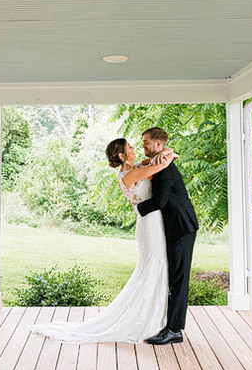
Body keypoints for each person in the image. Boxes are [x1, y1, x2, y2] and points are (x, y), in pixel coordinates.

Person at [30, 138, 176, 343]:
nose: (135, 149)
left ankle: (157, 319)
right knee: (153, 267)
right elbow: (161, 164)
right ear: (121, 156)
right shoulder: (130, 174)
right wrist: (169, 153)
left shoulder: (135, 167)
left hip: (153, 220)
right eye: (130, 148)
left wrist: (167, 151)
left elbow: (159, 159)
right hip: (149, 224)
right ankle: (149, 321)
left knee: (157, 267)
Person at [137, 127, 199, 345]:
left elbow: (159, 202)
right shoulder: (159, 161)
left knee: (179, 278)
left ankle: (174, 330)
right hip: (174, 225)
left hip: (182, 226)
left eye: (146, 142)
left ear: (158, 145)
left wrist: (137, 208)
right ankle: (169, 324)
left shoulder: (164, 168)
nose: (143, 145)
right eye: (142, 142)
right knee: (174, 275)